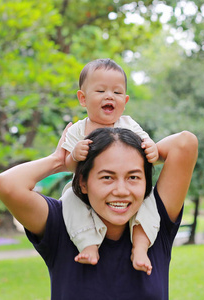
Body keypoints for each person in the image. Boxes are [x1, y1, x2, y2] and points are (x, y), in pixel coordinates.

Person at [0, 125, 197, 299]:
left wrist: (145, 152)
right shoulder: (61, 224)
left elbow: (185, 143)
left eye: (133, 177)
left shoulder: (154, 224)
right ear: (83, 182)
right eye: (107, 177)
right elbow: (6, 185)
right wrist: (61, 161)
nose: (121, 191)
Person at [60, 58, 159, 274]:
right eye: (101, 90)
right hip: (85, 189)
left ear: (125, 99)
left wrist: (152, 148)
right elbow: (67, 164)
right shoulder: (78, 130)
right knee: (68, 199)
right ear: (83, 98)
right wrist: (75, 154)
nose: (109, 96)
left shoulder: (128, 124)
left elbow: (146, 144)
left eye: (116, 92)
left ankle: (140, 248)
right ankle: (88, 244)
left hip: (123, 187)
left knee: (149, 201)